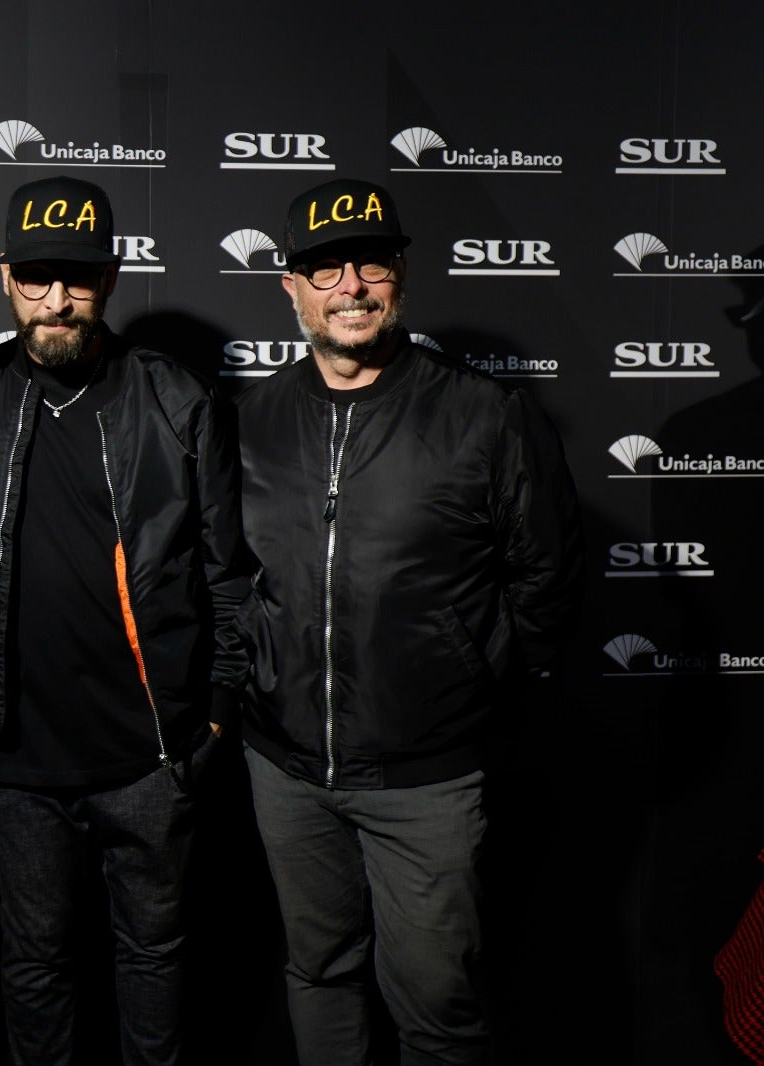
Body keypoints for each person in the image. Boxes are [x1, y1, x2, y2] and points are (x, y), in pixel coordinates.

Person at [231, 177, 584, 1065]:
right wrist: (260, 680)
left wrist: (469, 684)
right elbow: (232, 578)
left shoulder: (484, 416)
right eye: (323, 269)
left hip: (426, 779)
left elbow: (547, 579)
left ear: (400, 274)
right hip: (286, 769)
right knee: (318, 973)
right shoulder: (253, 421)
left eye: (370, 263)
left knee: (437, 1003)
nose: (349, 286)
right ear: (290, 286)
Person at [0, 175, 243, 1066]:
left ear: (111, 280)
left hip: (150, 760)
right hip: (17, 764)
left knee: (155, 961)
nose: (58, 300)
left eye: (77, 278)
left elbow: (230, 575)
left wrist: (214, 717)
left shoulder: (178, 398)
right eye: (38, 276)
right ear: (6, 277)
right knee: (35, 968)